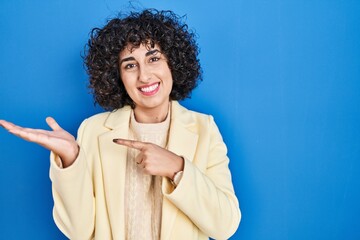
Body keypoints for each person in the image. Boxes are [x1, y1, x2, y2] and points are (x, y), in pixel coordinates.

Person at [0, 9, 241, 240]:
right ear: (117, 76)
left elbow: (225, 226)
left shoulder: (204, 129)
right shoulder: (93, 131)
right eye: (130, 65)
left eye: (153, 58)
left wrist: (177, 169)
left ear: (173, 63)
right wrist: (69, 159)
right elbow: (79, 232)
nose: (144, 76)